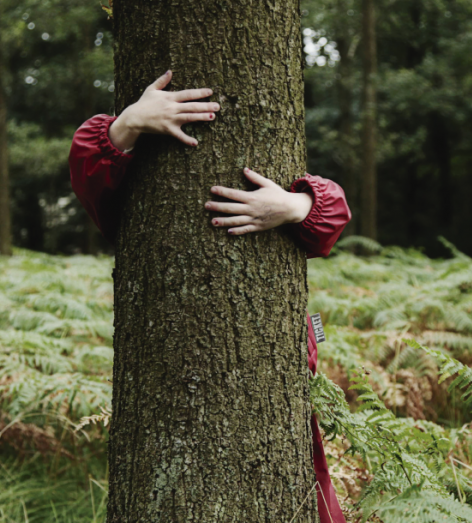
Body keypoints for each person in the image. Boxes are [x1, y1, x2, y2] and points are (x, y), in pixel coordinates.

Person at [68, 70, 351, 523]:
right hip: (173, 381)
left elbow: (332, 215)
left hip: (284, 388)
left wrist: (292, 207)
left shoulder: (288, 192)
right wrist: (130, 123)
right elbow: (89, 177)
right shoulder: (128, 171)